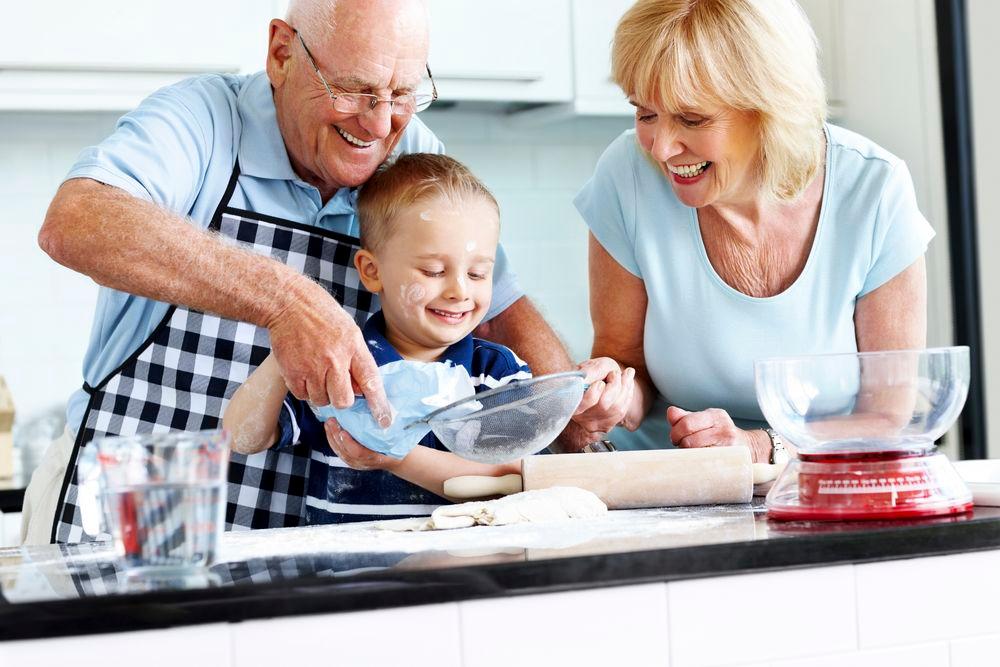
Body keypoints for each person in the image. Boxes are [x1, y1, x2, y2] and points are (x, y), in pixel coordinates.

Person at [24, 0, 574, 545]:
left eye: (404, 94)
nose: (380, 122)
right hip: (147, 499)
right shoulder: (203, 120)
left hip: (300, 535)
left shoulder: (407, 151)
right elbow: (76, 223)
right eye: (353, 89)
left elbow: (495, 308)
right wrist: (287, 302)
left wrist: (574, 419)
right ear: (282, 53)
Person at [569, 0, 932, 462]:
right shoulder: (626, 176)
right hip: (667, 485)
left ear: (770, 108)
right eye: (645, 114)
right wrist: (611, 397)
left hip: (827, 479)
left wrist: (760, 447)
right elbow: (628, 365)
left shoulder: (874, 190)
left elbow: (889, 414)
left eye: (692, 119)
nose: (660, 148)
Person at [223, 153, 529, 523]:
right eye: (434, 271)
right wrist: (287, 342)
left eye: (479, 274)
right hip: (347, 577)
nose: (459, 291)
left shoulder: (496, 374)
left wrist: (397, 458)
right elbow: (242, 437)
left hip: (463, 576)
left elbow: (517, 481)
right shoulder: (338, 367)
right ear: (372, 271)